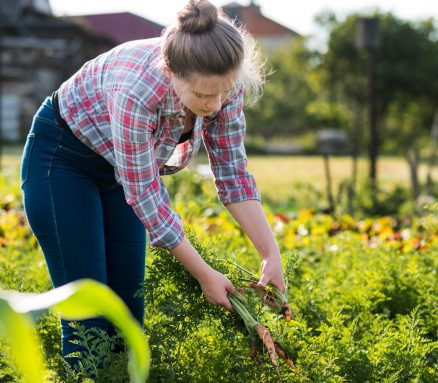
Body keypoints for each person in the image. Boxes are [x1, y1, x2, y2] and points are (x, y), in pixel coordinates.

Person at [20, 0, 284, 369]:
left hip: (118, 171)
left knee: (128, 314)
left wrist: (271, 254)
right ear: (171, 72)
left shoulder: (223, 84)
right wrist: (206, 276)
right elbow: (145, 195)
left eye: (223, 93)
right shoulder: (137, 92)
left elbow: (233, 174)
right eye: (204, 96)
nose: (216, 103)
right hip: (64, 161)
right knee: (89, 315)